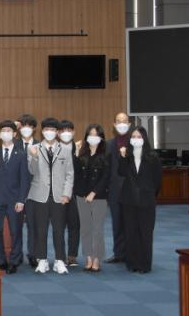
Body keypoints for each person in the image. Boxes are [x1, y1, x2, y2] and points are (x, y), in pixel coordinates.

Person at [27, 117, 74, 275]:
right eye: (47, 129)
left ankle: (60, 260)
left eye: (53, 130)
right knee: (41, 230)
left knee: (59, 230)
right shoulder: (34, 148)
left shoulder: (65, 149)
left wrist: (67, 193)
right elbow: (32, 171)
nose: (49, 132)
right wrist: (34, 156)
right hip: (39, 195)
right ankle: (42, 260)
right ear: (42, 131)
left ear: (57, 132)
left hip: (59, 196)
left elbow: (69, 174)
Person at [118, 126, 162, 273]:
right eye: (133, 137)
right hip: (128, 200)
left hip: (146, 200)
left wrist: (150, 194)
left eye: (139, 137)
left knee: (145, 232)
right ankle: (132, 263)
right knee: (130, 232)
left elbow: (157, 180)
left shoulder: (152, 156)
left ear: (144, 138)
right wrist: (122, 156)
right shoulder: (127, 154)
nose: (136, 139)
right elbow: (121, 172)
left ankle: (144, 264)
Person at [0, 120, 30, 274]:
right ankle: (0, 260)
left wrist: (21, 200)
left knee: (15, 231)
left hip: (14, 200)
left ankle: (14, 260)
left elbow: (25, 179)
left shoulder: (21, 154)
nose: (5, 133)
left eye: (8, 130)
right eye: (3, 130)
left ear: (14, 134)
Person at [74, 124, 110, 272]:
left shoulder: (106, 155)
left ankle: (97, 259)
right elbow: (76, 173)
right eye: (90, 135)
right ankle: (88, 257)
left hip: (99, 196)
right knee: (85, 228)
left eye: (96, 135)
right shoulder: (82, 154)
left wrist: (93, 193)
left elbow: (106, 177)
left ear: (101, 137)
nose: (93, 137)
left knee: (97, 229)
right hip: (81, 195)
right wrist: (76, 153)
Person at [105, 112, 131, 264]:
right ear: (114, 125)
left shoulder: (136, 142)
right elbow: (106, 169)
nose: (122, 124)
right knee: (117, 223)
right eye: (119, 121)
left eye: (124, 121)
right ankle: (119, 253)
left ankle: (132, 253)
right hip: (114, 190)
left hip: (132, 190)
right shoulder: (108, 144)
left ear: (129, 124)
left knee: (131, 222)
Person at [15, 114, 39, 268]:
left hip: (34, 191)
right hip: (16, 192)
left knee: (33, 225)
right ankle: (17, 255)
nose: (26, 129)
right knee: (16, 226)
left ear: (34, 129)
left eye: (29, 126)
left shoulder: (40, 145)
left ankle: (33, 254)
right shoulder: (13, 144)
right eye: (23, 125)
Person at [58, 119, 80, 267]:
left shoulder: (79, 149)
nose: (66, 133)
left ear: (73, 132)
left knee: (74, 225)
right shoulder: (54, 148)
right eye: (63, 130)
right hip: (59, 194)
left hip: (75, 193)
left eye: (69, 130)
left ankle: (72, 256)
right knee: (59, 226)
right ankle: (60, 256)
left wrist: (77, 154)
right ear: (58, 133)